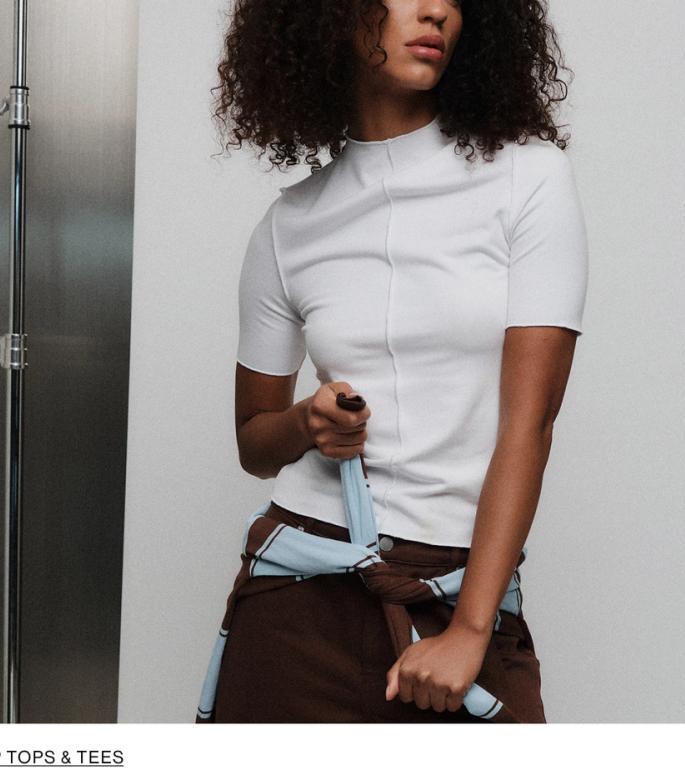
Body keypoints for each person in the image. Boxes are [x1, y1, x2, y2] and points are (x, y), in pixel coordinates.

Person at [203, 0, 588, 723]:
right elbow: (255, 442)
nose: (437, 9)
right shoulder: (289, 225)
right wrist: (309, 422)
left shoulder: (528, 181)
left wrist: (473, 631)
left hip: (457, 593)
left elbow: (528, 425)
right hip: (298, 604)